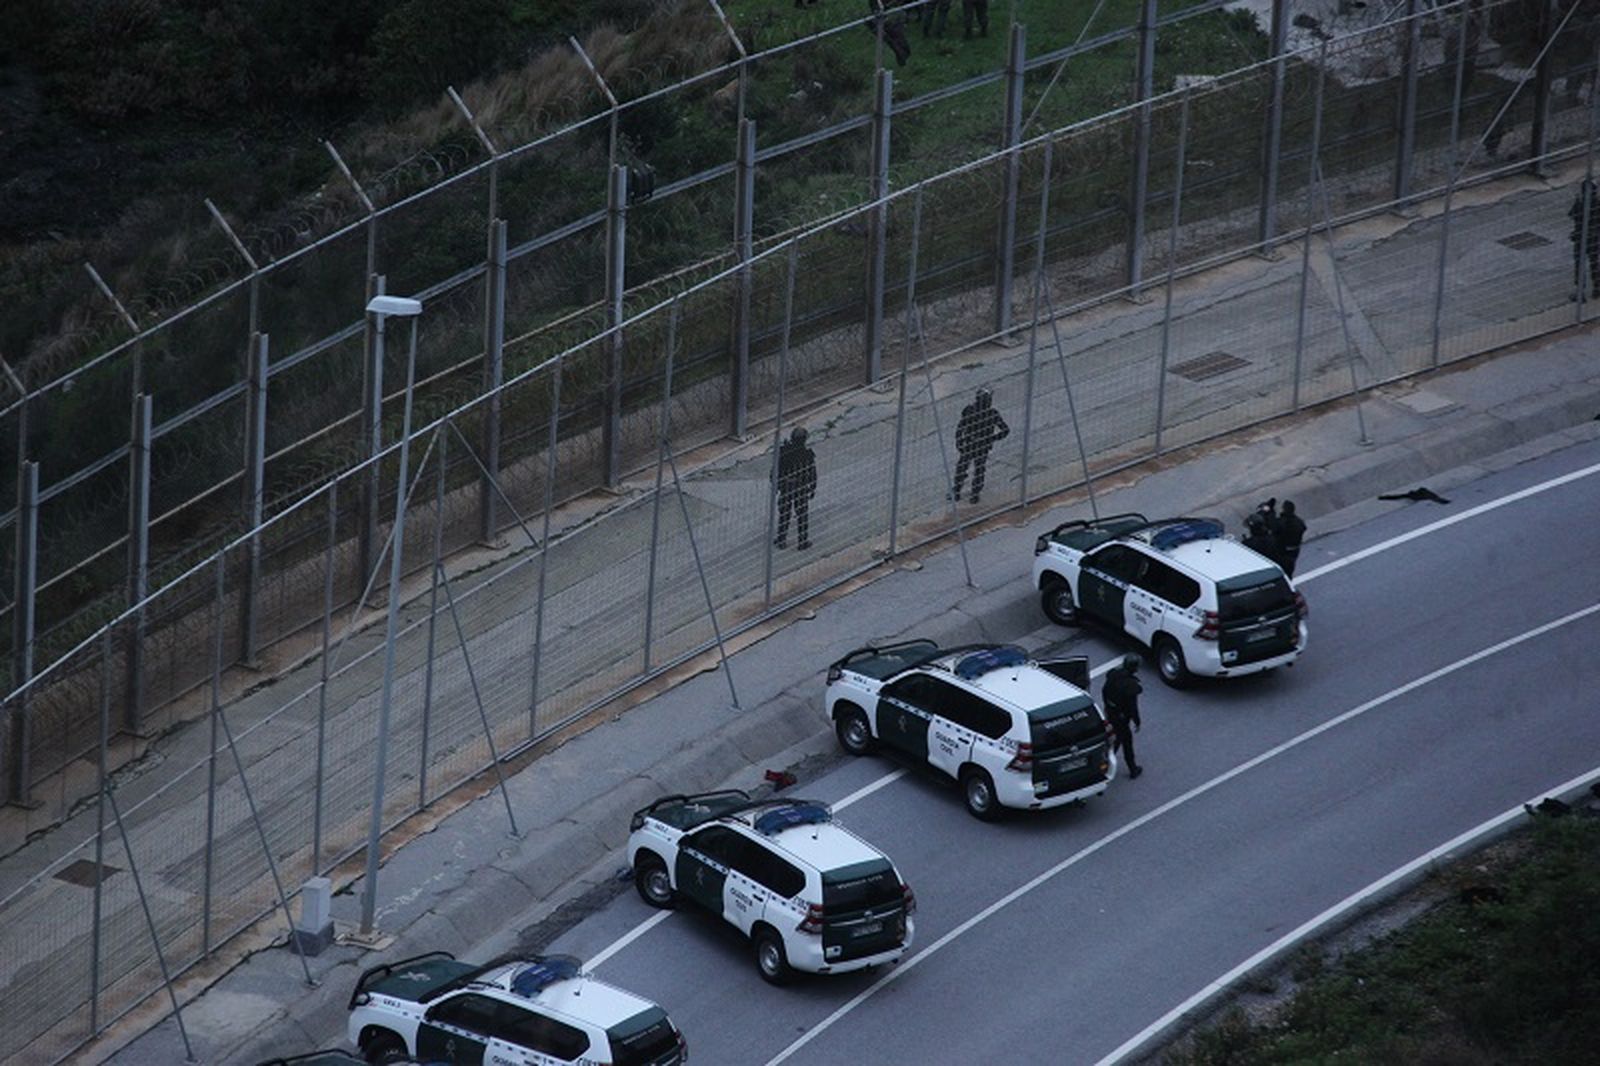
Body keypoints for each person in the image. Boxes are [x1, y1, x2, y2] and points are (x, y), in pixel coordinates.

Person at [950, 387, 1010, 503]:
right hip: (982, 446)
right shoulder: (992, 414)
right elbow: (1005, 430)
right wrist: (991, 439)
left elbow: (960, 428)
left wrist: (959, 442)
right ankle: (974, 495)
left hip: (970, 444)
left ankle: (958, 492)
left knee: (963, 468)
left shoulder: (970, 410)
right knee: (979, 469)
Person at [774, 426, 818, 550]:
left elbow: (776, 469)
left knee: (784, 513)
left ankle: (781, 540)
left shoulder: (784, 451)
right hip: (801, 487)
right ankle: (802, 541)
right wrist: (812, 487)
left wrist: (776, 484)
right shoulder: (807, 454)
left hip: (786, 486)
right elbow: (813, 473)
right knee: (802, 514)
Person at [1102, 654, 1143, 779]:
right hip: (1121, 718)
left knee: (1115, 740)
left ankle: (1105, 762)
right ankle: (1132, 769)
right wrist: (1137, 721)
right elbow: (1132, 707)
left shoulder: (1113, 675)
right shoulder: (1130, 685)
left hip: (1110, 712)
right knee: (1125, 742)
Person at [1570, 178, 1600, 301]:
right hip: (1594, 238)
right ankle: (1597, 288)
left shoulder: (1582, 203)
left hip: (1581, 237)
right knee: (1594, 263)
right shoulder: (1597, 204)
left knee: (1580, 264)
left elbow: (1574, 216)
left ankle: (1580, 291)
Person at [866, 0, 912, 66]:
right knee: (891, 33)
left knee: (894, 33)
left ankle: (901, 52)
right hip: (885, 14)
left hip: (889, 13)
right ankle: (900, 52)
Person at [1273, 500, 1307, 577]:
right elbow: (1304, 528)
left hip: (1282, 550)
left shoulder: (1282, 522)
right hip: (1295, 549)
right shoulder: (1299, 521)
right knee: (1290, 568)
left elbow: (1274, 530)